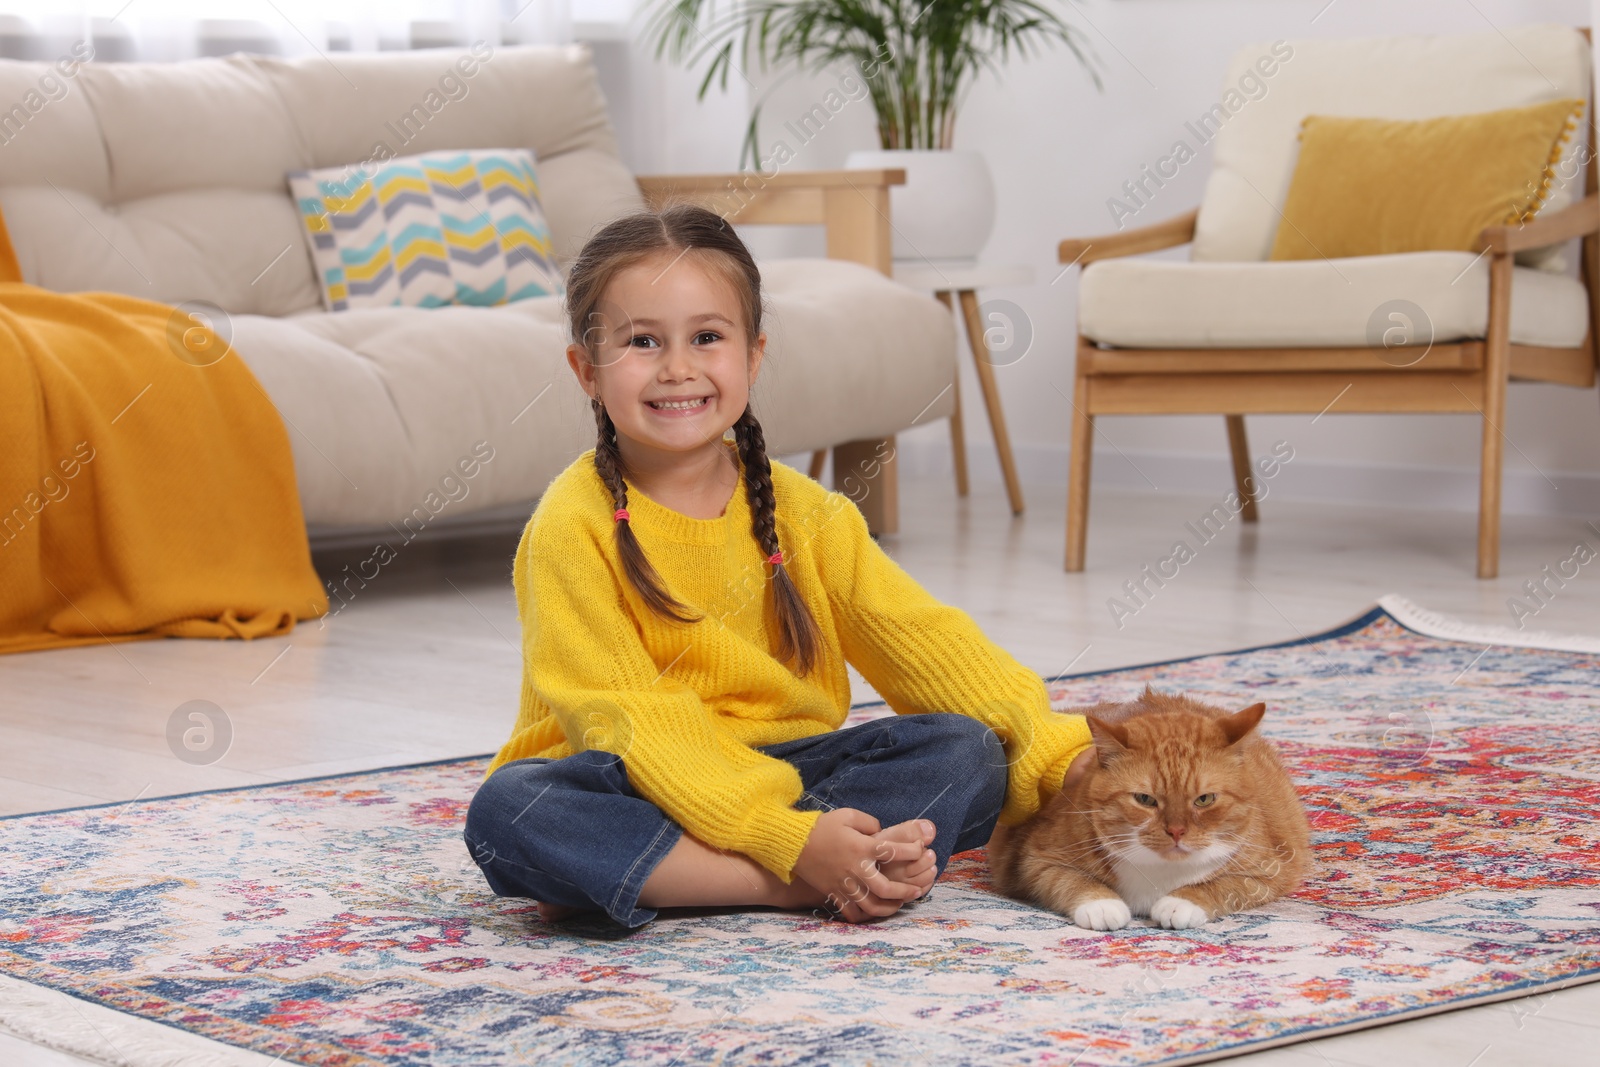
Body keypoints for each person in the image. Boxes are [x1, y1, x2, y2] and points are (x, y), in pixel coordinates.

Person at [462, 203, 1093, 929]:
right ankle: (786, 881)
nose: (678, 368)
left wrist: (1054, 751)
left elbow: (929, 643)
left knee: (968, 751)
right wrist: (791, 844)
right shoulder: (570, 524)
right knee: (510, 811)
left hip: (784, 775)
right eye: (642, 341)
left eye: (706, 337)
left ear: (753, 356)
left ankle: (715, 871)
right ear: (587, 369)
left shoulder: (809, 514)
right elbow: (629, 719)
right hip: (628, 774)